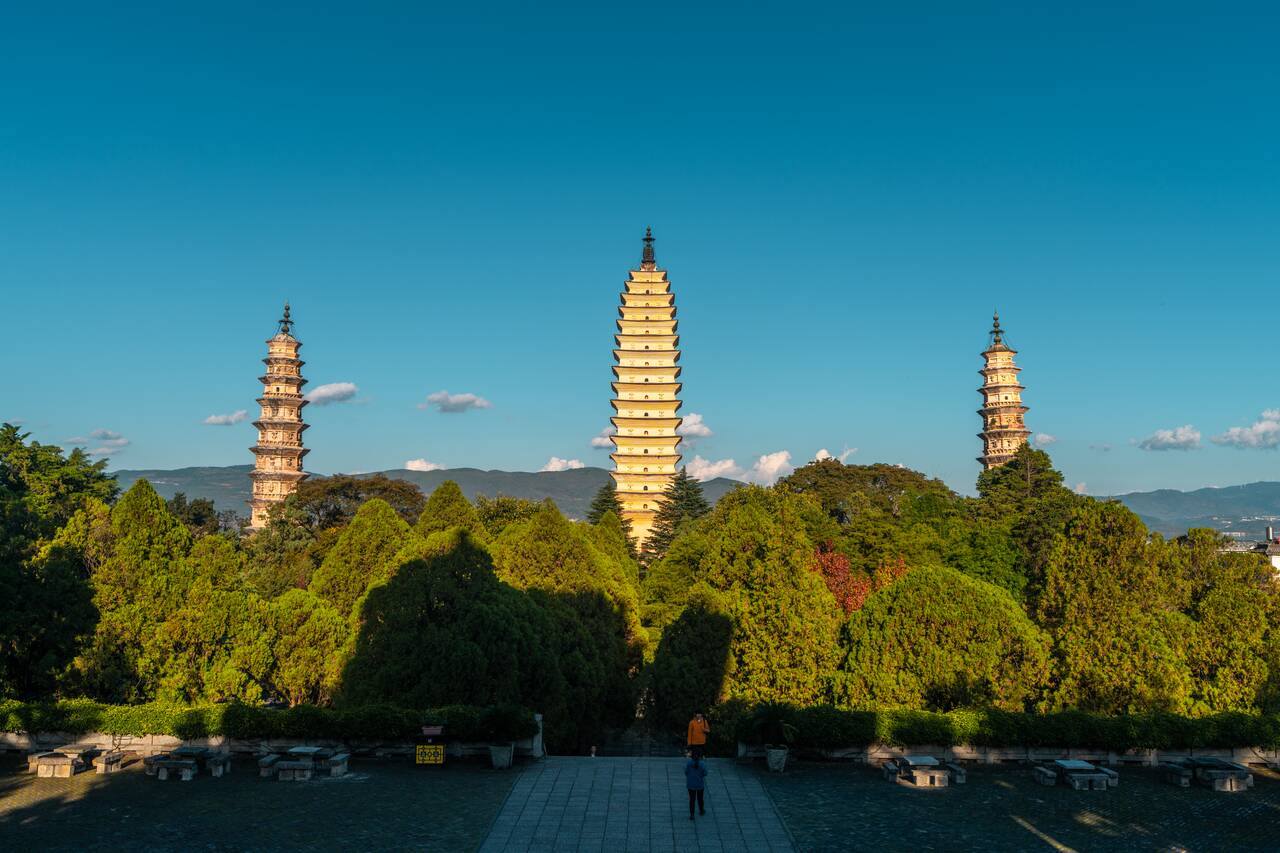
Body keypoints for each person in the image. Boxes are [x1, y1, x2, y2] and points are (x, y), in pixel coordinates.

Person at [685, 751, 707, 820]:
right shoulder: (702, 764)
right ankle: (701, 810)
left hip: (691, 784)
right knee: (700, 798)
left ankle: (692, 815)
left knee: (692, 799)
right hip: (699, 784)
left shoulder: (689, 763)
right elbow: (705, 773)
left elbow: (686, 772)